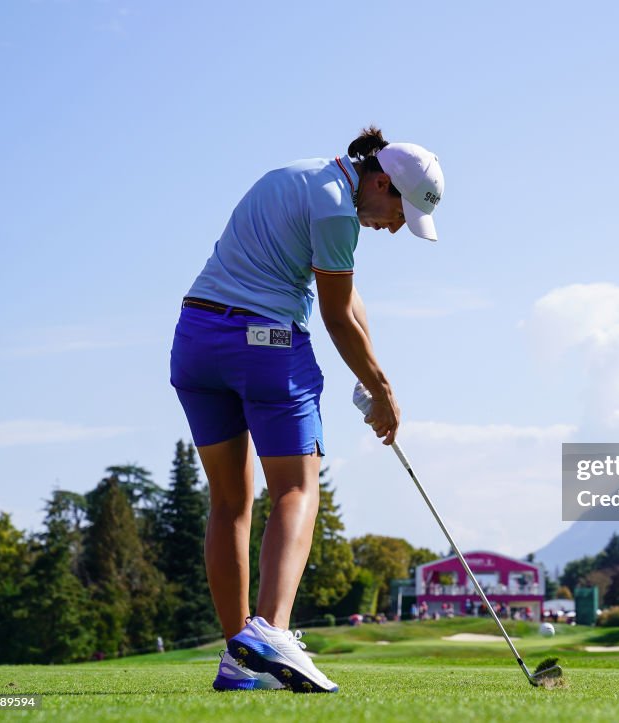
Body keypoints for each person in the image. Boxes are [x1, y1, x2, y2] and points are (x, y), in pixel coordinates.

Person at [169, 127, 445, 693]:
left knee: (228, 502)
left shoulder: (302, 175)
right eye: (400, 211)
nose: (394, 226)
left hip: (195, 341)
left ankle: (241, 662)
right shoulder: (340, 213)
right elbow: (337, 318)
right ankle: (271, 634)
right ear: (383, 181)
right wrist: (384, 392)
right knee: (296, 490)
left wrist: (375, 375)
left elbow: (348, 299)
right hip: (265, 347)